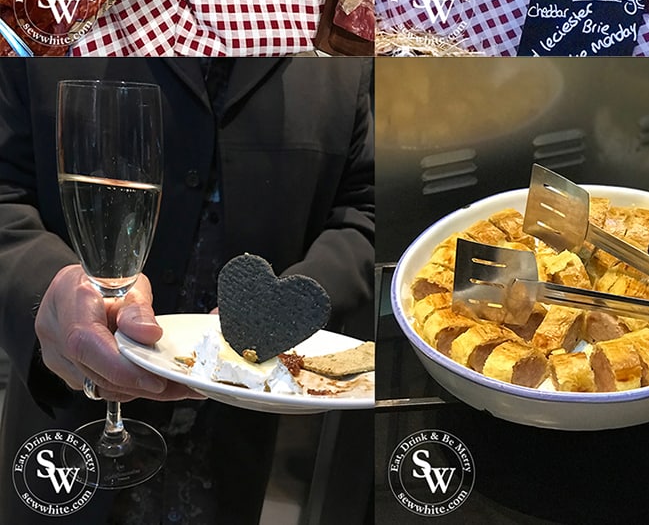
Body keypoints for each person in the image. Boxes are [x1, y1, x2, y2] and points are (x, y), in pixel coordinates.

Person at [0, 57, 374, 525]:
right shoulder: (40, 24)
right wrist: (41, 288)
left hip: (237, 442)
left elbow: (362, 208)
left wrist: (293, 305)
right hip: (66, 426)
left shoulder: (344, 52)